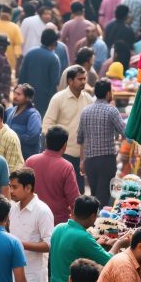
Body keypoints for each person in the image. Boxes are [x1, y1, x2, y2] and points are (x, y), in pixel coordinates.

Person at [49, 195, 127, 282]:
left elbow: (73, 251)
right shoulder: (83, 237)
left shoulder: (59, 228)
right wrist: (118, 243)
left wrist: (96, 244)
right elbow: (109, 261)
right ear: (93, 216)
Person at [42, 64, 93, 193]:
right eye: (80, 79)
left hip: (81, 155)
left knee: (77, 193)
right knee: (59, 191)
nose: (83, 82)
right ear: (70, 81)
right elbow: (47, 125)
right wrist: (55, 147)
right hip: (62, 154)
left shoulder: (88, 99)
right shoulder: (58, 99)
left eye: (84, 79)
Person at [77, 78, 126, 206]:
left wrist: (82, 160)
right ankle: (101, 222)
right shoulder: (111, 110)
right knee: (104, 196)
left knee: (94, 194)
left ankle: (94, 221)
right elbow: (125, 132)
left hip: (90, 161)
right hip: (106, 161)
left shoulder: (85, 111)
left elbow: (80, 139)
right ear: (108, 93)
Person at [26, 125, 80, 226]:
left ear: (46, 142)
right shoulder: (66, 167)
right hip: (57, 222)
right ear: (64, 145)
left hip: (31, 218)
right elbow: (74, 200)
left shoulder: (30, 161)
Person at [18, 28, 61, 117]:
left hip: (26, 97)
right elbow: (55, 84)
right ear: (54, 43)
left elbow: (21, 76)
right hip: (44, 101)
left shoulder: (30, 53)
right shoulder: (54, 58)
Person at [5, 83, 42, 159]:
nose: (15, 96)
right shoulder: (9, 111)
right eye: (14, 93)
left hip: (26, 156)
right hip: (9, 154)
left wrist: (13, 137)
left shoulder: (33, 115)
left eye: (19, 94)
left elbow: (33, 137)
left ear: (28, 98)